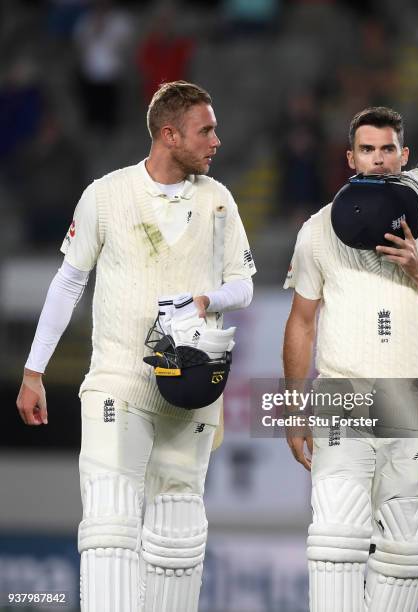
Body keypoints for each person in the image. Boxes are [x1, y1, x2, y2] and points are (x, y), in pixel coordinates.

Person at [16, 80, 256, 612]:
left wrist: (204, 299)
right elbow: (68, 282)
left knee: (178, 532)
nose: (217, 140)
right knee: (109, 523)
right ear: (169, 135)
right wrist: (35, 371)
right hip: (118, 379)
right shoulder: (106, 194)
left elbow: (244, 284)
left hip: (190, 384)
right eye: (206, 130)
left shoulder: (219, 201)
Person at [282, 106, 418, 612]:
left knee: (404, 549)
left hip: (414, 397)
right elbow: (302, 321)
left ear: (404, 155)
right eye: (366, 149)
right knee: (336, 538)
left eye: (387, 148)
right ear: (350, 158)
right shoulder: (319, 228)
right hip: (342, 393)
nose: (377, 159)